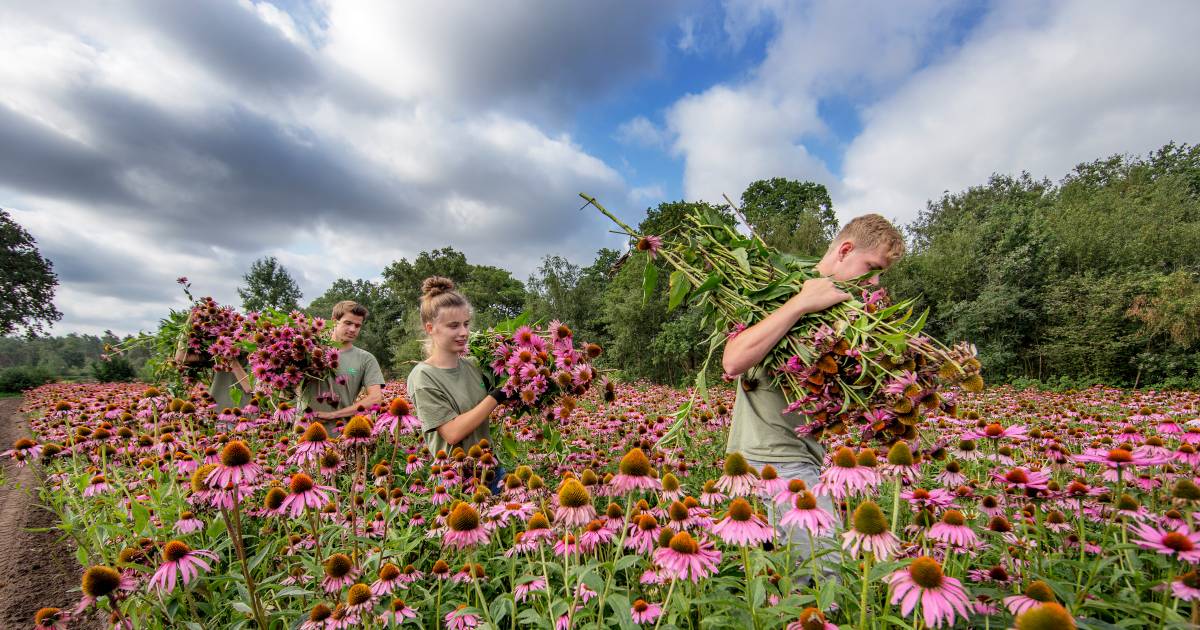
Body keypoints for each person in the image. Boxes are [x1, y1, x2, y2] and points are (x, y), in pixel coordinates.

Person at [721, 214, 905, 567]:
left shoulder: (849, 317)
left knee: (783, 582)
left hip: (806, 457)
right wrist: (803, 302)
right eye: (872, 268)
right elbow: (733, 361)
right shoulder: (775, 290)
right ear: (845, 250)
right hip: (771, 458)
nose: (875, 282)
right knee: (822, 572)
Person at [407, 277, 509, 493]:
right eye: (453, 326)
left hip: (490, 469)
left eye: (466, 324)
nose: (463, 332)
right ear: (430, 328)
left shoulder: (474, 365)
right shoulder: (423, 376)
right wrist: (497, 396)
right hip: (456, 479)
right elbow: (452, 432)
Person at [307, 300, 386, 428]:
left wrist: (333, 415)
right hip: (302, 431)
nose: (353, 329)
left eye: (357, 325)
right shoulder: (309, 350)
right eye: (348, 323)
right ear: (334, 321)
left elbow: (375, 398)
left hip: (341, 432)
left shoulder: (365, 359)